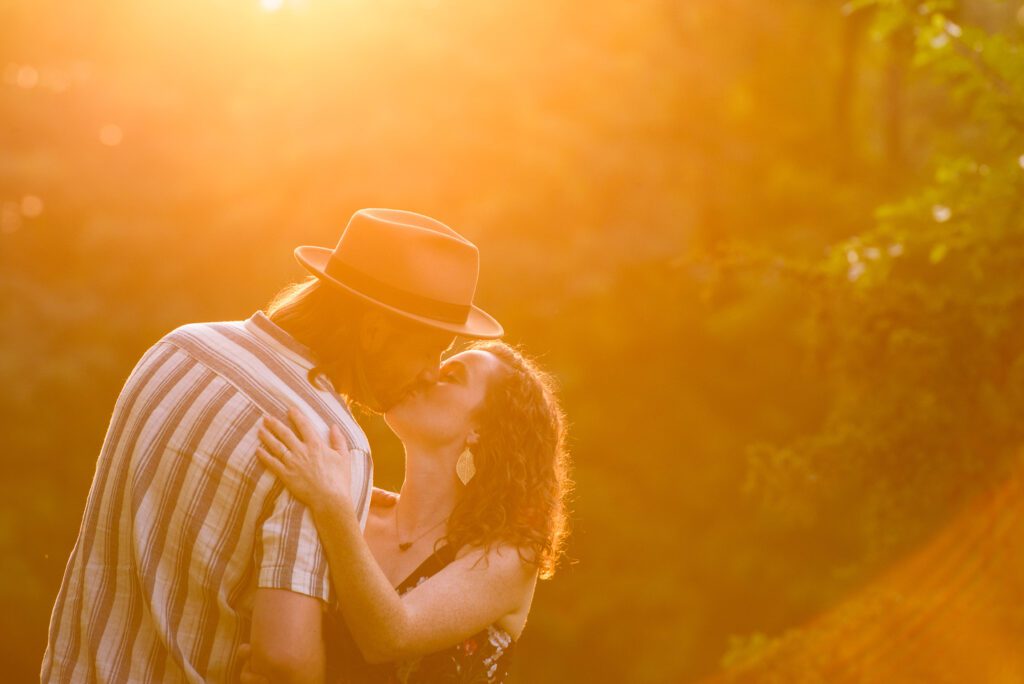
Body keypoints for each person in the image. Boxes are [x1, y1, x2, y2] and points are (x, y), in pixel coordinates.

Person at [41, 208, 503, 683]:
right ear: (374, 331)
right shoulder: (328, 441)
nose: (430, 372)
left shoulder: (180, 346)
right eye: (431, 349)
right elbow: (285, 659)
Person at [247, 339, 571, 683]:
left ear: (482, 430)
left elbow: (390, 637)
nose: (428, 374)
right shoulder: (353, 507)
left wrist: (333, 506)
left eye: (452, 376)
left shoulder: (506, 554)